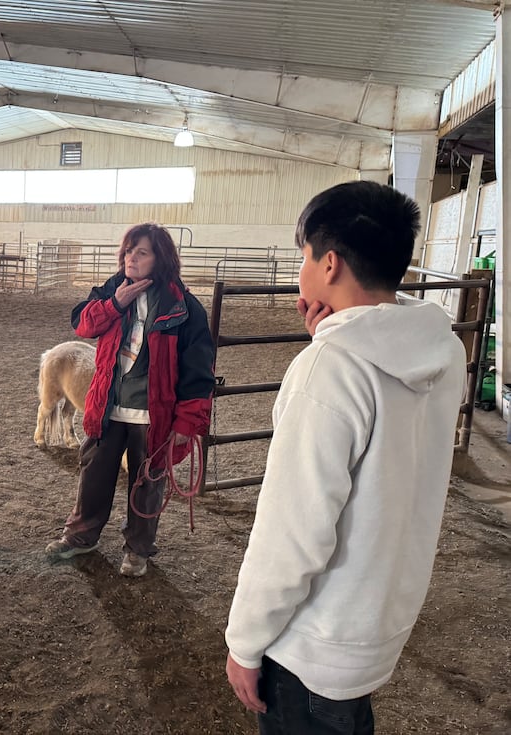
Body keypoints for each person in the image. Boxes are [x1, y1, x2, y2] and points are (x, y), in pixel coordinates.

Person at [224, 181, 467, 733]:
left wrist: (244, 641)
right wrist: (330, 337)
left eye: (303, 256)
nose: (301, 269)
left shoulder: (331, 370)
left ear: (329, 262)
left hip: (314, 642)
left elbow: (294, 529)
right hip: (378, 624)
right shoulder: (444, 351)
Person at [45, 222, 215, 577]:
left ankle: (138, 549)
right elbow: (83, 324)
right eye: (127, 251)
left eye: (141, 252)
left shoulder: (185, 308)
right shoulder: (113, 289)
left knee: (148, 481)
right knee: (93, 473)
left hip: (154, 414)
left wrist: (187, 423)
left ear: (161, 258)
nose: (130, 258)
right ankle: (81, 536)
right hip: (109, 405)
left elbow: (198, 371)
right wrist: (114, 304)